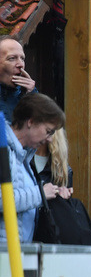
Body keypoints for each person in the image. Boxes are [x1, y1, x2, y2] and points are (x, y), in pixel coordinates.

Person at [2, 92, 63, 243]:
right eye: (48, 131)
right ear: (31, 122)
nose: (49, 139)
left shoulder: (22, 156)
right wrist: (40, 194)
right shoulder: (4, 152)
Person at [0, 38, 37, 119]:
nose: (20, 64)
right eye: (12, 58)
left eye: (22, 59)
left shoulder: (28, 93)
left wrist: (31, 97)